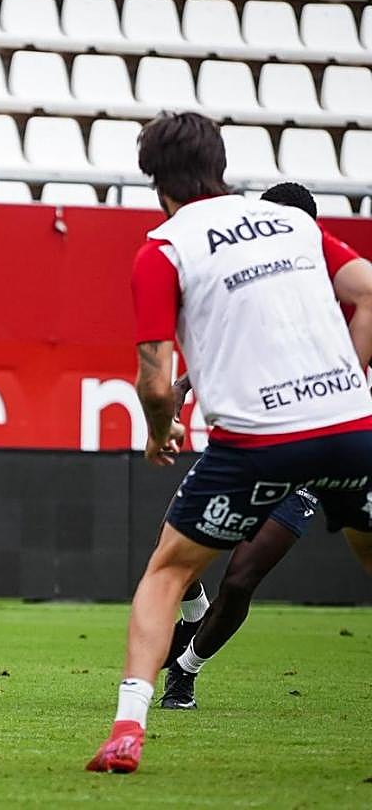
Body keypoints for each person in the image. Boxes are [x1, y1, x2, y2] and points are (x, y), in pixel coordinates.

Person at [86, 112, 372, 773]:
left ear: (155, 180)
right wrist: (349, 379)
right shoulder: (293, 223)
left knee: (167, 571)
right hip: (352, 431)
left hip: (257, 442)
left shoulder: (163, 247)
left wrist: (160, 437)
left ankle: (128, 728)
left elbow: (156, 381)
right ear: (220, 162)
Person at [159, 182, 372, 710]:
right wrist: (183, 388)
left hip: (308, 457)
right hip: (248, 445)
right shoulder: (262, 284)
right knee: (172, 562)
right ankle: (190, 621)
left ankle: (186, 672)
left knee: (241, 579)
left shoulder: (332, 285)